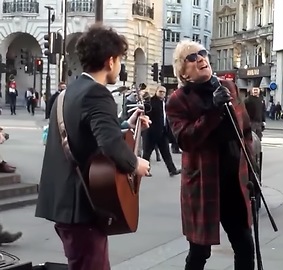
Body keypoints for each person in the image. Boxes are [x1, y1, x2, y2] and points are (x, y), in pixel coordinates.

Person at [35, 24, 151, 270]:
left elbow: (84, 134)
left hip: (64, 203)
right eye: (120, 60)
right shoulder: (97, 94)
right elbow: (109, 145)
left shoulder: (69, 92)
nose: (119, 66)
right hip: (81, 206)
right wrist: (135, 164)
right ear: (110, 61)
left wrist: (125, 125)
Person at [166, 40, 255, 270]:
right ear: (183, 72)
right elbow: (185, 139)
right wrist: (212, 111)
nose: (201, 59)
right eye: (192, 58)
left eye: (202, 54)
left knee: (245, 245)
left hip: (234, 181)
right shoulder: (179, 99)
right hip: (204, 183)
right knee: (199, 251)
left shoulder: (228, 86)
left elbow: (244, 129)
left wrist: (252, 171)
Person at [142, 85, 181, 177]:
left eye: (164, 92)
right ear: (156, 91)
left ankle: (172, 170)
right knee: (147, 153)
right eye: (160, 91)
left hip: (163, 132)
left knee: (166, 152)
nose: (162, 94)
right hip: (151, 132)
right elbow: (147, 112)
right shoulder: (151, 102)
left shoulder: (165, 102)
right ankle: (144, 170)